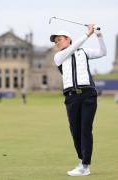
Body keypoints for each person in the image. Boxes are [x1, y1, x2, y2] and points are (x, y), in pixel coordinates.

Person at [50, 24, 107, 176]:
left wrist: (99, 36)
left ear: (68, 39)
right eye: (55, 41)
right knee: (75, 131)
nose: (57, 43)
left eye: (59, 40)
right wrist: (87, 34)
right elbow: (71, 49)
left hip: (88, 94)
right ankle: (82, 161)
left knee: (85, 129)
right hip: (71, 97)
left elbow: (103, 52)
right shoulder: (58, 57)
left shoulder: (84, 52)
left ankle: (85, 165)